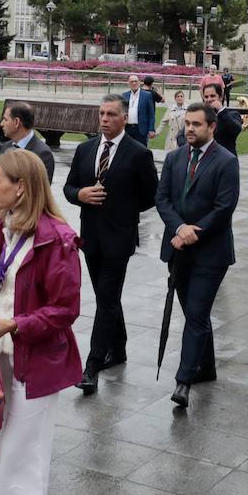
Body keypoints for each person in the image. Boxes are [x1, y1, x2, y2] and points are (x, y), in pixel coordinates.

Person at [0, 149, 82, 495]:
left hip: (37, 362)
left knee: (24, 451)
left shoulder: (58, 239)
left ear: (21, 187)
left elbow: (65, 309)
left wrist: (16, 324)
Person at [63, 94, 158, 394]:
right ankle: (118, 348)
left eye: (111, 114)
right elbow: (68, 186)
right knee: (108, 297)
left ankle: (92, 365)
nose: (104, 119)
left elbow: (150, 196)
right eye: (102, 113)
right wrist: (80, 195)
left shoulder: (138, 153)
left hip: (119, 238)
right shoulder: (85, 148)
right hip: (91, 237)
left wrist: (123, 210)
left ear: (124, 119)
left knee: (105, 300)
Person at [155, 103, 239, 408]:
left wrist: (195, 232)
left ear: (211, 127)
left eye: (196, 124)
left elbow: (224, 207)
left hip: (210, 253)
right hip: (178, 249)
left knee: (197, 314)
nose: (189, 129)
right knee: (193, 312)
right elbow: (162, 198)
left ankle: (183, 380)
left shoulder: (226, 161)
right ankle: (207, 366)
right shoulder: (175, 157)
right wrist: (179, 228)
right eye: (187, 124)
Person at [202, 81, 244, 156]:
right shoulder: (200, 116)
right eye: (206, 97)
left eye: (212, 96)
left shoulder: (232, 114)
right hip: (205, 161)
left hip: (225, 161)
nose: (209, 99)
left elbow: (235, 129)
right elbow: (182, 135)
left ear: (221, 97)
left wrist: (221, 110)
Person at [122, 74, 157, 144]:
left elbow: (151, 113)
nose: (134, 83)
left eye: (135, 81)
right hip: (127, 128)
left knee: (141, 151)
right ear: (128, 83)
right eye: (131, 82)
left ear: (139, 83)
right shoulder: (124, 95)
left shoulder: (147, 95)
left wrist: (151, 129)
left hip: (141, 128)